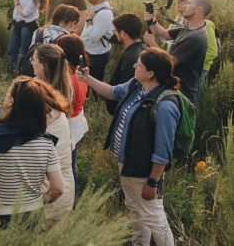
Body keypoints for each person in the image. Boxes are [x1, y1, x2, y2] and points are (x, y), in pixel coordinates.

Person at [78, 48, 180, 246]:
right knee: (134, 207)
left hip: (144, 170)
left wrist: (152, 182)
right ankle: (139, 243)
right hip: (127, 163)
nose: (135, 65)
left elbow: (163, 151)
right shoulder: (136, 85)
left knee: (154, 216)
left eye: (139, 64)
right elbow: (112, 92)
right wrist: (87, 79)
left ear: (151, 73)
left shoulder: (165, 105)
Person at [0, 78, 65, 227]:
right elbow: (58, 187)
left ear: (11, 102)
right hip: (33, 217)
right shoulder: (46, 143)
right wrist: (38, 203)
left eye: (8, 93)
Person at [29, 44, 75, 226]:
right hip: (64, 182)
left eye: (34, 59)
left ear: (44, 66)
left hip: (48, 190)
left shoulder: (39, 98)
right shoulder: (63, 88)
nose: (31, 62)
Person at [146, 0, 217, 97]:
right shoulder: (190, 28)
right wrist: (154, 19)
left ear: (199, 9)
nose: (184, 6)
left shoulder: (195, 38)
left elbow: (169, 62)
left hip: (183, 93)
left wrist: (152, 43)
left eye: (188, 4)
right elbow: (165, 34)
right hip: (176, 87)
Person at [53, 34, 89, 198]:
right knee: (70, 165)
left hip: (69, 128)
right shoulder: (80, 73)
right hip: (78, 122)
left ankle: (69, 198)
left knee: (67, 168)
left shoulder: (68, 80)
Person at [2, 0, 48, 74]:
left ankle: (22, 73)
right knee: (11, 50)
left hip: (27, 27)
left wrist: (16, 2)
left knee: (24, 53)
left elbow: (25, 14)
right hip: (17, 24)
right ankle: (10, 72)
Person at [108, 13, 148, 115]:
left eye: (116, 31)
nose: (115, 34)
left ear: (123, 33)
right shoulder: (144, 49)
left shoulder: (131, 57)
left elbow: (127, 91)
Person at [79, 0, 116, 81]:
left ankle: (96, 97)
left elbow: (93, 38)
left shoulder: (103, 14)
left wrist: (89, 20)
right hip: (90, 52)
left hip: (96, 56)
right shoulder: (96, 9)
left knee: (94, 85)